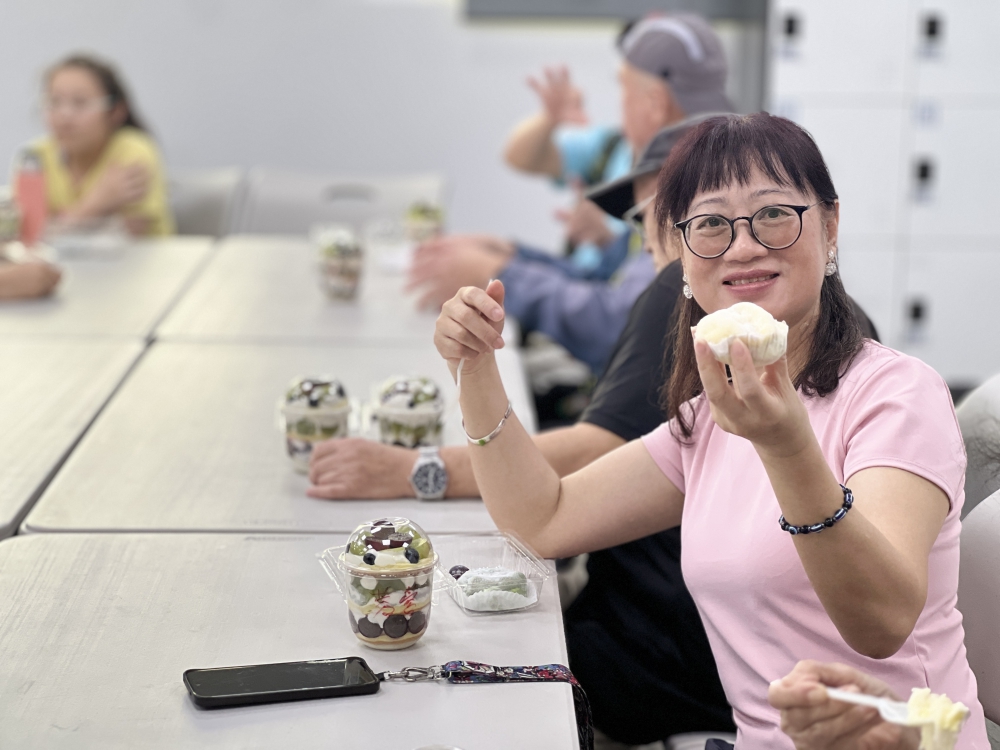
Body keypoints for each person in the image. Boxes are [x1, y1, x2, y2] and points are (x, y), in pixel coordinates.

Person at [433, 113, 989, 749]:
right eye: (711, 225)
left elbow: (882, 622)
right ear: (681, 256)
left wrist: (787, 448)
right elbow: (544, 518)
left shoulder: (899, 394)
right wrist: (475, 371)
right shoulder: (710, 415)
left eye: (774, 214)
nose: (743, 246)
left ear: (830, 226)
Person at [409, 14, 734, 374]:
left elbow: (617, 326)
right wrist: (514, 256)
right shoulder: (711, 164)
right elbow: (610, 280)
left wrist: (499, 274)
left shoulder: (694, 188)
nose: (621, 105)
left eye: (624, 90)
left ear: (655, 104)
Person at [504, 15, 730, 268]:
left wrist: (607, 242)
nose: (620, 100)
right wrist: (549, 119)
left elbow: (653, 283)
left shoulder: (703, 180)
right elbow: (519, 157)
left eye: (624, 86)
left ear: (656, 104)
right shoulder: (612, 147)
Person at [31, 54, 174, 236]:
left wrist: (62, 222)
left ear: (116, 111)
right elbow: (29, 236)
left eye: (80, 102)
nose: (64, 115)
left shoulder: (133, 150)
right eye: (54, 101)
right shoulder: (34, 157)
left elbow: (129, 235)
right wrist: (97, 203)